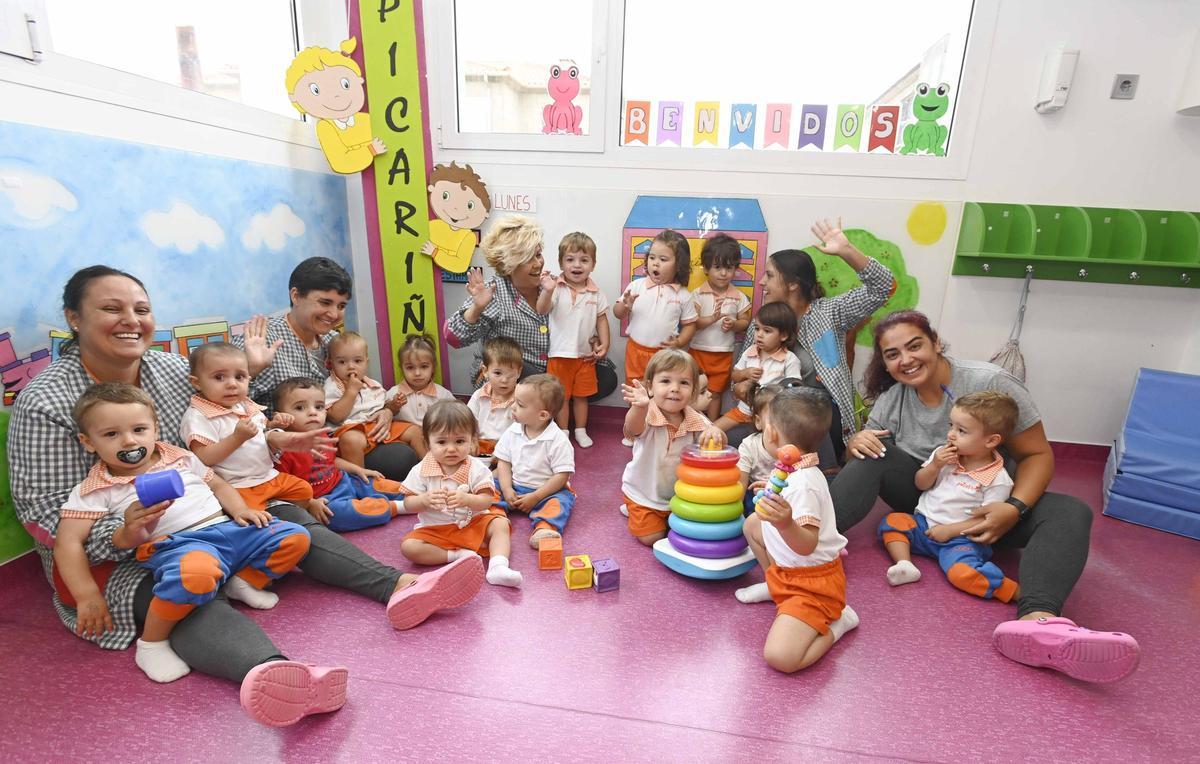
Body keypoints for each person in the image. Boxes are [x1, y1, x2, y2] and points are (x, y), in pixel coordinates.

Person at [9, 266, 484, 727]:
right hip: (118, 542)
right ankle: (276, 675)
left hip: (207, 503)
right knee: (181, 594)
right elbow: (44, 515)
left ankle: (400, 587)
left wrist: (268, 425)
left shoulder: (174, 369)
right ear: (75, 317)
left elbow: (233, 417)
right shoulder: (47, 401)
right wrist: (126, 532)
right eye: (112, 309)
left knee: (287, 519)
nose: (131, 320)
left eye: (142, 309)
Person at [832, 310, 1140, 683]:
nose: (906, 360)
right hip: (927, 501)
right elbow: (863, 456)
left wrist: (1014, 508)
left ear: (936, 343)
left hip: (986, 511)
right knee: (873, 454)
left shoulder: (990, 383)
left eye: (915, 346)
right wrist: (857, 441)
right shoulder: (892, 399)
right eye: (892, 354)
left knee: (1070, 512)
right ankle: (802, 543)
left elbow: (1037, 454)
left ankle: (1039, 623)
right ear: (884, 362)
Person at [55, 382, 311, 683]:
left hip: (226, 529)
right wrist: (86, 595)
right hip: (176, 545)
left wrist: (240, 510)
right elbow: (67, 542)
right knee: (196, 574)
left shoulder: (178, 457)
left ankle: (243, 581)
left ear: (155, 429)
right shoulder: (95, 488)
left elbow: (217, 484)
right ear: (88, 442)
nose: (128, 440)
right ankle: (151, 643)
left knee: (294, 537)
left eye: (139, 430)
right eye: (111, 434)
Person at [234, 256, 419, 480]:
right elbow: (216, 406)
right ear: (295, 296)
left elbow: (360, 388)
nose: (333, 314)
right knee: (399, 459)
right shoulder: (261, 340)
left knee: (408, 448)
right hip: (287, 453)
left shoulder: (333, 341)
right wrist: (252, 370)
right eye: (324, 303)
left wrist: (387, 410)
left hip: (342, 438)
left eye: (341, 306)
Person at [735, 219, 895, 459]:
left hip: (824, 424)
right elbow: (740, 377)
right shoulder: (762, 321)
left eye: (769, 275)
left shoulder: (829, 313)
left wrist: (846, 251)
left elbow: (883, 287)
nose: (761, 282)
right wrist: (743, 387)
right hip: (771, 424)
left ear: (792, 284)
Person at [734, 387, 859, 673]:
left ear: (771, 433)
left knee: (780, 657)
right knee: (753, 524)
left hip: (811, 584)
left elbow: (806, 544)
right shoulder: (793, 468)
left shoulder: (804, 485)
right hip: (789, 570)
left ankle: (840, 623)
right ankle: (775, 586)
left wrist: (785, 522)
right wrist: (771, 489)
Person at [445, 214, 619, 400]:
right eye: (528, 259)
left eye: (538, 255)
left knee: (606, 377)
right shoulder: (493, 292)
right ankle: (545, 403)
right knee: (530, 379)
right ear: (509, 265)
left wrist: (590, 340)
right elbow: (454, 338)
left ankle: (554, 403)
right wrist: (477, 308)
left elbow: (577, 318)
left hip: (553, 369)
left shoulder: (554, 285)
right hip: (509, 373)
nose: (538, 264)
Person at [879, 391, 1018, 600]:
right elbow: (920, 483)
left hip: (961, 540)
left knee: (962, 574)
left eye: (961, 431)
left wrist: (950, 531)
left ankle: (1015, 593)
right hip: (924, 526)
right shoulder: (943, 455)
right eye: (951, 426)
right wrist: (935, 465)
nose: (951, 434)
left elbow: (988, 520)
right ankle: (905, 564)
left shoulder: (998, 479)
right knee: (892, 521)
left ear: (991, 441)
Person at [398, 401, 522, 588]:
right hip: (436, 530)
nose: (451, 449)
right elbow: (408, 503)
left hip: (473, 523)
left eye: (460, 441)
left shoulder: (476, 468)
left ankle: (498, 566)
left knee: (500, 524)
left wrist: (468, 499)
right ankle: (457, 555)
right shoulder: (420, 470)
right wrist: (423, 500)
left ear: (472, 441)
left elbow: (486, 500)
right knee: (409, 547)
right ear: (427, 442)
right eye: (441, 442)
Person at [180, 342, 315, 513]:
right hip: (237, 486)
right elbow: (204, 457)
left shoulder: (245, 404)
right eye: (219, 377)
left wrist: (274, 424)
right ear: (196, 382)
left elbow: (262, 430)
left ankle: (279, 511)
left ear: (248, 379)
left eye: (240, 377)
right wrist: (237, 438)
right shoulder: (198, 415)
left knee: (304, 490)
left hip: (268, 476)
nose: (232, 384)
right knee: (252, 516)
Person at [274, 377, 410, 532]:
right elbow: (283, 490)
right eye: (300, 408)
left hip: (344, 480)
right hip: (324, 500)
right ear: (280, 416)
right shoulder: (281, 450)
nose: (312, 412)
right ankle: (396, 507)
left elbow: (332, 461)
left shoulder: (322, 435)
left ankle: (416, 492)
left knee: (378, 482)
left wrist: (359, 470)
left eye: (319, 407)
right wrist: (310, 503)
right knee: (337, 514)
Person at [619, 349, 727, 545]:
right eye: (666, 381)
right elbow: (633, 428)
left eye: (684, 383)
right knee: (652, 538)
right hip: (643, 494)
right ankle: (632, 507)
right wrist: (639, 407)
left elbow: (719, 445)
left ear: (693, 391)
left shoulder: (697, 419)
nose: (675, 388)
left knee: (692, 530)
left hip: (680, 496)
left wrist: (716, 432)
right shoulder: (647, 414)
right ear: (650, 387)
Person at [536, 231, 610, 448]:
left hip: (585, 357)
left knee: (581, 396)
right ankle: (563, 431)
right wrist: (547, 291)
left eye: (584, 260)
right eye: (570, 259)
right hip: (558, 354)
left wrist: (605, 344)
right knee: (561, 397)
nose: (577, 265)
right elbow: (542, 309)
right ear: (561, 263)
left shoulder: (596, 294)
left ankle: (580, 430)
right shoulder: (555, 288)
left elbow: (602, 320)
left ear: (593, 264)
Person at [493, 374, 575, 549]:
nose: (513, 406)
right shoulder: (513, 430)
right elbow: (504, 463)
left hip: (545, 492)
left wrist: (536, 496)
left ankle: (544, 528)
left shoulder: (558, 440)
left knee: (561, 501)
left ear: (542, 415)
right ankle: (494, 516)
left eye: (520, 405)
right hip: (513, 486)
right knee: (488, 485)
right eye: (515, 401)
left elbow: (562, 476)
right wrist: (507, 489)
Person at [323, 330, 426, 464]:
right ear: (331, 364)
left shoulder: (373, 385)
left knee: (415, 431)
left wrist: (393, 405)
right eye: (342, 362)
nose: (351, 367)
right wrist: (351, 391)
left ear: (366, 362)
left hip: (376, 428)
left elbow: (385, 408)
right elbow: (334, 417)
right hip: (350, 430)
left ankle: (431, 468)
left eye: (357, 361)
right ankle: (359, 476)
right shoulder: (332, 386)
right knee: (351, 439)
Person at [286, 38, 387, 174]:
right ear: (296, 98)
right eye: (316, 90)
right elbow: (340, 162)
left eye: (345, 84)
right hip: (370, 176)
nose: (336, 95)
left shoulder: (366, 119)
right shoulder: (325, 127)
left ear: (358, 80)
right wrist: (370, 150)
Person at [611, 229, 698, 386]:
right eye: (652, 257)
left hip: (664, 355)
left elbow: (690, 325)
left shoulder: (683, 295)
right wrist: (625, 306)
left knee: (661, 389)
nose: (655, 263)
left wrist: (679, 342)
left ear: (679, 265)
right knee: (634, 389)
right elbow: (617, 313)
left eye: (663, 259)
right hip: (635, 350)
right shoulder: (637, 286)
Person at [689, 233, 752, 420]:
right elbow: (693, 322)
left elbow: (746, 322)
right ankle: (691, 424)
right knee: (694, 391)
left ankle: (712, 427)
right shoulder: (697, 294)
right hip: (698, 351)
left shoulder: (739, 296)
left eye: (729, 268)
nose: (724, 273)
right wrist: (711, 319)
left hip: (723, 354)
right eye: (718, 267)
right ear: (706, 268)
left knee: (715, 394)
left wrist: (734, 324)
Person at [716, 302, 801, 431]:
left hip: (770, 416)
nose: (759, 334)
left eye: (767, 331)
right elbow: (734, 375)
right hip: (743, 411)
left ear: (784, 335)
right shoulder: (750, 351)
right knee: (712, 430)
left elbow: (794, 389)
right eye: (757, 329)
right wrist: (744, 373)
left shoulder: (790, 359)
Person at [384, 334, 456, 432]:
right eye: (410, 367)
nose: (417, 373)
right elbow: (381, 417)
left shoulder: (443, 395)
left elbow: (458, 420)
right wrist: (392, 407)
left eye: (424, 366)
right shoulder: (393, 394)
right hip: (404, 440)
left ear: (433, 367)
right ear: (402, 368)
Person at [466, 336, 520, 457]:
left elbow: (524, 431)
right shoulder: (479, 396)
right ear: (485, 371)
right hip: (480, 447)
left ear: (519, 372)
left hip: (509, 450)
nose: (504, 380)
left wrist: (504, 451)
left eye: (510, 375)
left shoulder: (521, 399)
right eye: (497, 373)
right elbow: (467, 422)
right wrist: (472, 440)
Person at [737, 382, 784, 516]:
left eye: (787, 420)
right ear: (758, 421)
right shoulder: (749, 446)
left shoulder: (795, 445)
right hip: (755, 496)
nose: (782, 426)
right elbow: (740, 487)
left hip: (785, 494)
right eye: (774, 420)